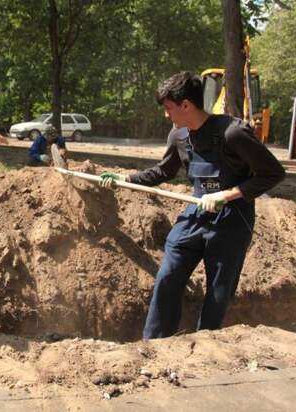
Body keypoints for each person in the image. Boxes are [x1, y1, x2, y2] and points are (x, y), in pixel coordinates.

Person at [100, 71, 285, 339]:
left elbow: (273, 173)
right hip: (195, 214)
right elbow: (163, 172)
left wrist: (227, 195)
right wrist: (125, 179)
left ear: (186, 105)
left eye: (168, 108)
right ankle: (153, 343)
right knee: (168, 276)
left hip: (232, 221)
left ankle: (204, 345)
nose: (166, 115)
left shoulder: (233, 133)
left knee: (219, 292)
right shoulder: (178, 136)